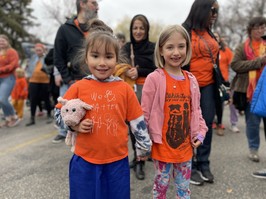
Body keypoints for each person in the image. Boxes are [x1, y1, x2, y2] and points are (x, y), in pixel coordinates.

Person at [54, 30, 152, 199]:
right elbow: (58, 113)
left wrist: (144, 146)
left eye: (108, 56)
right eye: (95, 56)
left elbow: (137, 120)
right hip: (84, 161)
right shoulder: (79, 87)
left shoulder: (124, 89)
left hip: (117, 162)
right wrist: (74, 126)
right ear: (86, 58)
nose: (102, 63)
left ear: (116, 59)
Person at [141, 24, 207, 198]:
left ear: (187, 48)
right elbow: (144, 114)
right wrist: (142, 144)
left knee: (183, 190)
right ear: (161, 50)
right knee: (160, 189)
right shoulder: (154, 79)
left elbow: (197, 112)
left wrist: (200, 133)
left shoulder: (192, 80)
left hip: (185, 150)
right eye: (170, 47)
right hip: (161, 149)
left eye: (181, 46)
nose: (176, 52)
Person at [182, 0, 220, 185]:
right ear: (202, 9)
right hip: (187, 86)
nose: (215, 14)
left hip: (209, 86)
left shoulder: (210, 32)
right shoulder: (184, 31)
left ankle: (204, 163)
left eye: (217, 12)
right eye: (213, 10)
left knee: (206, 123)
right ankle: (190, 164)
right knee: (188, 125)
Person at [52, 0, 99, 143]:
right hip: (74, 82)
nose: (97, 6)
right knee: (65, 118)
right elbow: (58, 57)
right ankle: (65, 134)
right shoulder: (65, 29)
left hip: (96, 82)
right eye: (93, 3)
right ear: (82, 4)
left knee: (94, 123)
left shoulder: (98, 28)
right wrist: (68, 79)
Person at [121, 14, 157, 180]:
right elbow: (117, 65)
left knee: (146, 125)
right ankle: (138, 160)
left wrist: (139, 71)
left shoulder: (152, 48)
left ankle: (143, 156)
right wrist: (126, 70)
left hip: (148, 91)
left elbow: (158, 69)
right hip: (130, 90)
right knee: (133, 125)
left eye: (141, 28)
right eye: (135, 28)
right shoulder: (126, 48)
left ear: (147, 29)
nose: (138, 31)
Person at [231, 16, 266, 162]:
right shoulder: (242, 47)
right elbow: (236, 65)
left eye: (263, 27)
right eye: (257, 28)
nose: (260, 30)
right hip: (251, 92)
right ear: (250, 30)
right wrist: (259, 61)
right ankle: (253, 149)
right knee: (252, 123)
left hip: (265, 89)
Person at [213, 32, 240, 135]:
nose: (215, 38)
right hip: (214, 81)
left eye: (217, 36)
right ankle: (217, 121)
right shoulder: (209, 50)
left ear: (220, 39)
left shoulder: (226, 51)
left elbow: (233, 66)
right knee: (218, 103)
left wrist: (230, 79)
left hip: (226, 82)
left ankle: (233, 123)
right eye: (213, 36)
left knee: (232, 102)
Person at [25, 43, 53, 126]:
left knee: (46, 98)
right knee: (33, 99)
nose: (38, 51)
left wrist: (45, 46)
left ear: (43, 50)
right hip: (33, 80)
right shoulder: (32, 57)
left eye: (40, 50)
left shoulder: (47, 57)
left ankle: (49, 115)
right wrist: (35, 45)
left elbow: (52, 48)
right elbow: (24, 45)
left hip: (45, 81)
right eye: (36, 50)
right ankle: (32, 118)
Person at [0, 34, 21, 127]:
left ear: (7, 42)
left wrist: (1, 69)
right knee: (0, 100)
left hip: (8, 77)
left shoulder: (12, 52)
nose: (1, 43)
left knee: (3, 99)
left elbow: (13, 64)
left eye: (3, 41)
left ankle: (15, 117)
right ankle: (8, 118)